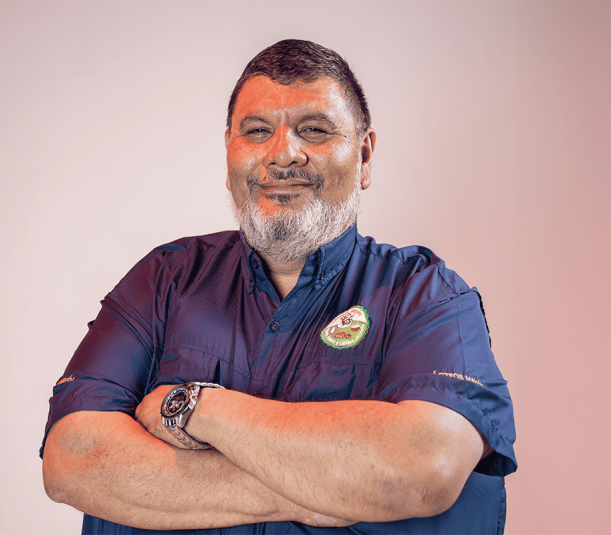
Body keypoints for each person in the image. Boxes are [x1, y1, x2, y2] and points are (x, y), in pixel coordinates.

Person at [40, 39, 518, 534]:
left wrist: (197, 407)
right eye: (257, 131)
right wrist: (310, 489)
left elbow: (421, 471)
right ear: (229, 152)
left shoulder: (426, 297)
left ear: (365, 155)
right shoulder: (165, 279)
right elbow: (71, 459)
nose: (283, 154)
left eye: (314, 130)